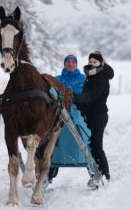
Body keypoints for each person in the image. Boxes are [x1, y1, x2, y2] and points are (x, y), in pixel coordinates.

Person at [75, 51, 114, 186]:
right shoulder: (91, 76)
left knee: (97, 146)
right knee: (91, 145)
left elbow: (91, 96)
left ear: (101, 64)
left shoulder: (101, 78)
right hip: (91, 115)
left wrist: (74, 97)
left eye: (95, 62)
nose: (91, 64)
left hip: (99, 116)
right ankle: (97, 174)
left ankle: (105, 176)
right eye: (90, 61)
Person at [48, 54, 87, 183]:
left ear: (76, 64)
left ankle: (87, 161)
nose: (70, 64)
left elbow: (84, 93)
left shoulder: (83, 78)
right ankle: (49, 172)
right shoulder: (57, 79)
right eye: (68, 62)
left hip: (77, 114)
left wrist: (71, 94)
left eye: (73, 62)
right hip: (59, 115)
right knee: (54, 141)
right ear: (64, 64)